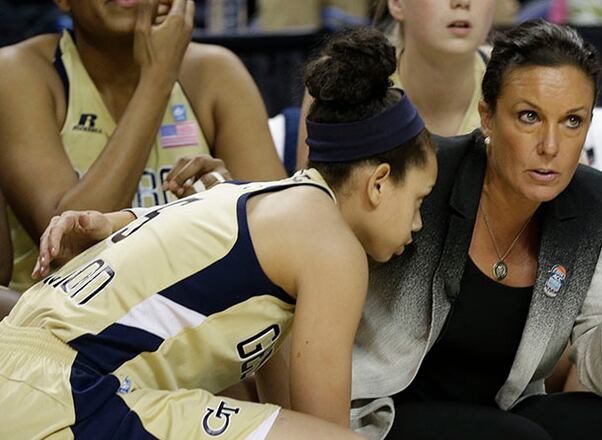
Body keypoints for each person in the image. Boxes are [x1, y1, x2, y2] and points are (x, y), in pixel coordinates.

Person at [0, 27, 436, 439]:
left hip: (26, 372)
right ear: (379, 183)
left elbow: (285, 412)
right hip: (64, 389)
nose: (418, 224)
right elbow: (325, 430)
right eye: (419, 200)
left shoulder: (250, 200)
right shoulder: (332, 245)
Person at [345, 20, 602, 439]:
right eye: (529, 117)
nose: (550, 146)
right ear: (488, 117)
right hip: (388, 413)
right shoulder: (426, 178)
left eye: (572, 121)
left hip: (499, 414)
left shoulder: (593, 205)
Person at [0, 0, 286, 292]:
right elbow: (68, 248)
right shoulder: (18, 72)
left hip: (195, 312)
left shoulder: (214, 72)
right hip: (65, 316)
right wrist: (158, 78)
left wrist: (226, 200)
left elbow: (285, 236)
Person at [295, 0, 495, 169]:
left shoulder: (509, 77)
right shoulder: (339, 80)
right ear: (397, 3)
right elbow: (312, 198)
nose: (462, 2)